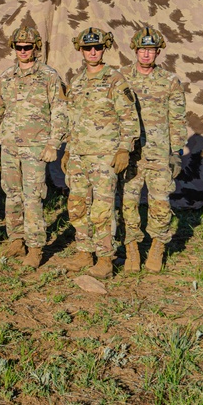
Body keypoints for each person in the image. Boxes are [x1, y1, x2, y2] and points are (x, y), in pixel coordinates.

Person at [61, 27, 140, 279]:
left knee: (102, 210)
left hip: (104, 155)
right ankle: (85, 252)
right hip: (78, 154)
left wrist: (124, 149)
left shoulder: (115, 80)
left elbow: (129, 117)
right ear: (80, 50)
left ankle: (105, 258)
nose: (92, 52)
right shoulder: (77, 81)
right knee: (76, 206)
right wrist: (68, 149)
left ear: (104, 48)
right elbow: (72, 119)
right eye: (87, 48)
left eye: (97, 47)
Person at [0, 26, 67, 268]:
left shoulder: (49, 76)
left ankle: (35, 247)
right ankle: (16, 239)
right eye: (19, 47)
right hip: (10, 146)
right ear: (13, 48)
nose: (24, 51)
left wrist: (54, 143)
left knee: (33, 196)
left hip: (36, 147)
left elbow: (60, 110)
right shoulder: (5, 77)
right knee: (12, 194)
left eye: (28, 47)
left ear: (36, 48)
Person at [120, 26, 187, 273]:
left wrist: (176, 152)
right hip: (131, 153)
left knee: (160, 202)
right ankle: (132, 250)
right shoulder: (121, 77)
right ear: (135, 50)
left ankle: (158, 247)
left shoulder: (170, 81)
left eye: (151, 50)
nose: (146, 55)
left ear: (158, 52)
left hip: (159, 153)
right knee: (128, 202)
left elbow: (177, 118)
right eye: (142, 50)